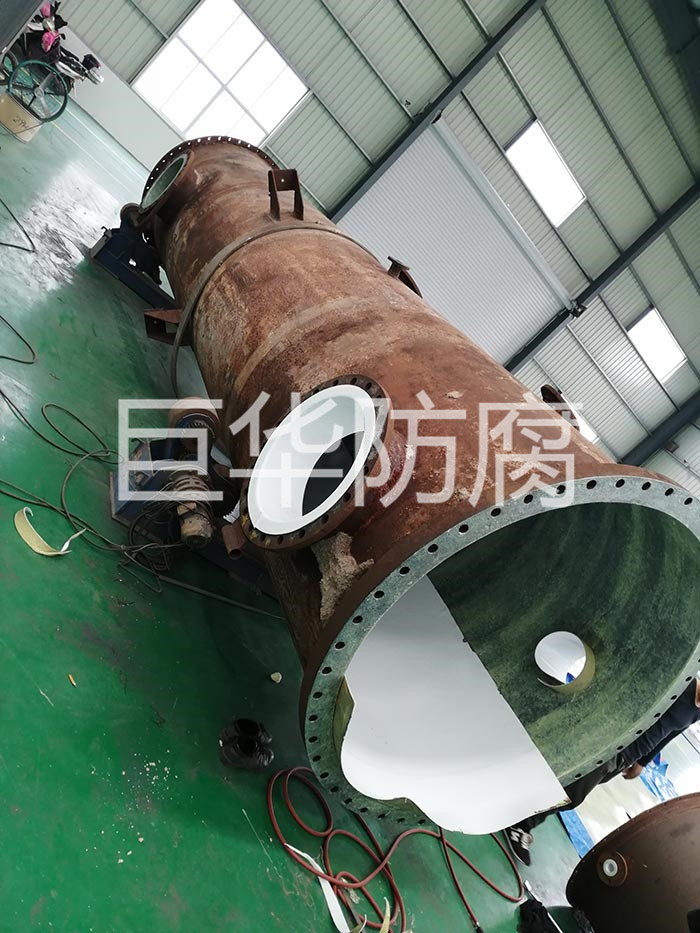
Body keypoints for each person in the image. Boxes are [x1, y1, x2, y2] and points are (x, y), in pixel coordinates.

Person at [506, 676, 700, 866]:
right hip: (616, 744)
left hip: (629, 755)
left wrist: (643, 762)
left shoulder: (697, 711)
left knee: (570, 785)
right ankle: (522, 823)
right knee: (573, 794)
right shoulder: (683, 681)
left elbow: (670, 734)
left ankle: (519, 806)